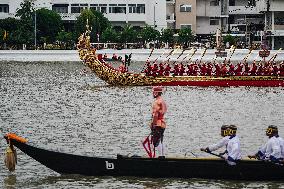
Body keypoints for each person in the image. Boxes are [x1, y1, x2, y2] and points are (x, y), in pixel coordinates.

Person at [150, 86, 167, 158]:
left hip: (158, 123)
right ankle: (162, 155)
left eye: (153, 92)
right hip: (163, 122)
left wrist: (153, 124)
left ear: (156, 93)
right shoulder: (163, 101)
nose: (153, 93)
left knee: (156, 140)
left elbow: (155, 115)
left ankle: (160, 156)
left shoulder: (156, 102)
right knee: (161, 139)